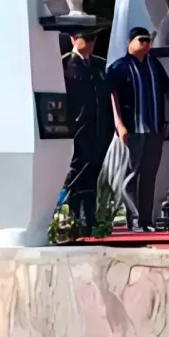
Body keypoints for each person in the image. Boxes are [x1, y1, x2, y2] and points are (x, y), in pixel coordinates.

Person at [105, 27, 169, 232]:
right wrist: (119, 124)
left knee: (149, 175)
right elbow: (112, 96)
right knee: (132, 175)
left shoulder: (155, 66)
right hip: (133, 129)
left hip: (154, 128)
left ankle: (146, 220)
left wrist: (167, 121)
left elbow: (165, 95)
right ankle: (134, 220)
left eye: (148, 40)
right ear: (130, 42)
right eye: (140, 40)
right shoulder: (120, 67)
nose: (145, 44)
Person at [60, 29, 110, 236]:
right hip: (76, 129)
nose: (90, 43)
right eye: (86, 39)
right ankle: (74, 217)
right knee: (77, 173)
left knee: (93, 173)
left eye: (93, 39)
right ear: (74, 39)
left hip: (98, 128)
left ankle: (90, 217)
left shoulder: (99, 65)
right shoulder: (64, 64)